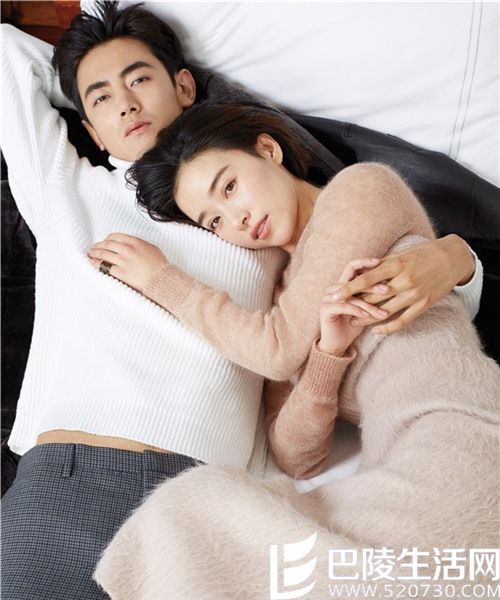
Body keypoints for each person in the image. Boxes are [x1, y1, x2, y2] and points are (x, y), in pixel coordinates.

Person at [0, 1, 484, 598]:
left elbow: (376, 263)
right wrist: (73, 75)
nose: (124, 103)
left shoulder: (264, 221)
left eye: (139, 79)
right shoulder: (67, 189)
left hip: (206, 501)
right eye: (101, 99)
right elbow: (6, 54)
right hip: (73, 477)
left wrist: (456, 260)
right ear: (91, 130)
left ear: (185, 85)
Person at [87, 103, 495, 479]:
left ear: (268, 149)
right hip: (401, 459)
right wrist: (326, 357)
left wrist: (162, 280)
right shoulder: (283, 304)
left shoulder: (360, 190)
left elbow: (276, 351)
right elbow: (296, 458)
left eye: (229, 188)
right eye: (214, 222)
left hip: (460, 426)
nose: (236, 219)